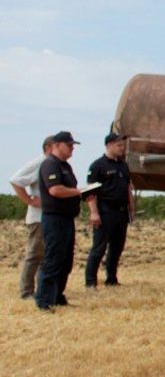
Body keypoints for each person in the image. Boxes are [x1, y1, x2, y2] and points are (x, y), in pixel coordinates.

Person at [35, 131, 86, 311]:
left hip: (66, 218)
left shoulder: (65, 166)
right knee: (53, 259)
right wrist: (79, 191)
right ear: (57, 145)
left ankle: (57, 296)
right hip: (54, 218)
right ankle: (44, 300)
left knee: (65, 260)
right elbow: (55, 190)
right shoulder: (50, 165)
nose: (72, 148)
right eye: (69, 145)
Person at [85, 133, 135, 287]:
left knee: (117, 247)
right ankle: (91, 282)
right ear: (109, 145)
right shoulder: (97, 166)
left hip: (121, 213)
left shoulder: (123, 165)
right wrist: (94, 212)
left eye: (123, 145)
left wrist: (131, 208)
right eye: (119, 146)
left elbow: (128, 188)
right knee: (99, 248)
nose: (122, 149)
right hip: (105, 212)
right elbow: (90, 192)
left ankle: (111, 279)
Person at [9, 136, 55, 299]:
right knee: (35, 254)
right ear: (49, 147)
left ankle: (42, 289)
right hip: (38, 218)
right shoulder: (40, 163)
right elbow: (16, 180)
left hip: (49, 217)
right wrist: (29, 200)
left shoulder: (53, 165)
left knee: (45, 255)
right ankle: (26, 291)